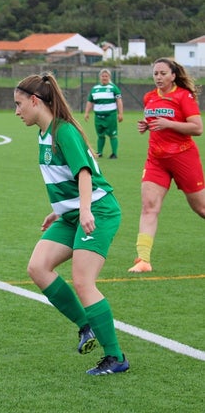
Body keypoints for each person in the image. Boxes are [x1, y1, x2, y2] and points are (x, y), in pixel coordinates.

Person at [14, 73, 128, 375]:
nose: (16, 111)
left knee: (83, 281)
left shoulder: (63, 132)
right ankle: (86, 325)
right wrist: (60, 210)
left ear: (35, 101)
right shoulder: (43, 133)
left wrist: (86, 210)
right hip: (72, 214)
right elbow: (62, 179)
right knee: (37, 267)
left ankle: (116, 358)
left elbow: (85, 174)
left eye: (19, 104)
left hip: (98, 211)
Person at [129, 58, 205, 273]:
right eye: (155, 74)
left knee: (201, 208)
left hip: (183, 157)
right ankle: (143, 260)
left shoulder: (183, 96)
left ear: (173, 75)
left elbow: (197, 128)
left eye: (163, 73)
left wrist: (168, 123)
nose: (158, 77)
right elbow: (157, 122)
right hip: (156, 159)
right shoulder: (150, 97)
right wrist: (147, 125)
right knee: (148, 207)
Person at [83, 68, 124, 159]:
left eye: (106, 76)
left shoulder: (113, 88)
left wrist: (120, 113)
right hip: (98, 117)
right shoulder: (95, 89)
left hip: (110, 116)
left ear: (109, 77)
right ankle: (100, 152)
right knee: (100, 135)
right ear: (100, 77)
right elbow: (90, 101)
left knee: (112, 135)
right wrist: (87, 112)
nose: (104, 78)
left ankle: (114, 153)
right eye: (103, 76)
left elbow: (119, 100)